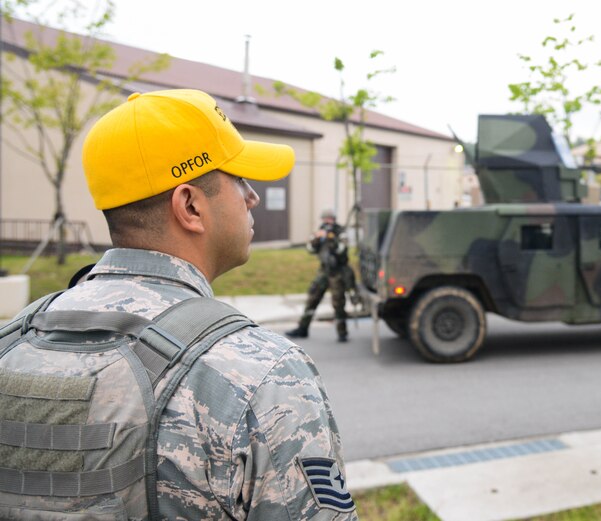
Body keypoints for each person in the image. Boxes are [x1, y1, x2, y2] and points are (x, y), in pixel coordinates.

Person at [29, 89, 357, 519]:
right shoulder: (263, 375)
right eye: (239, 179)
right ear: (190, 206)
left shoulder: (12, 343)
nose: (252, 196)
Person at [286, 209, 354, 342]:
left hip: (337, 272)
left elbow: (342, 250)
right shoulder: (320, 231)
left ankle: (342, 332)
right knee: (312, 298)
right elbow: (310, 249)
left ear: (334, 219)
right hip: (324, 271)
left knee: (338, 302)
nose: (327, 222)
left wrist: (331, 237)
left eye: (329, 219)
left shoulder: (340, 233)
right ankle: (303, 328)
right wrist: (316, 239)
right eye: (325, 219)